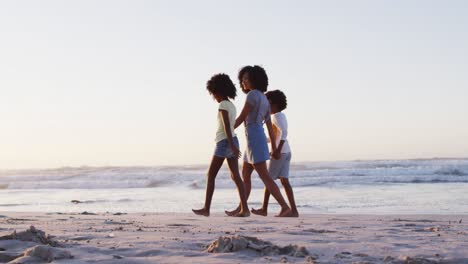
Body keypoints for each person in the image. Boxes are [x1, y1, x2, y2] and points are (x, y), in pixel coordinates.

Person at [226, 66, 293, 217]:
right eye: (242, 79)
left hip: (255, 139)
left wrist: (228, 130)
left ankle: (284, 206)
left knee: (264, 176)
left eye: (246, 79)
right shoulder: (263, 98)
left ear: (255, 80)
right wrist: (274, 148)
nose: (243, 82)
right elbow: (269, 126)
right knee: (246, 173)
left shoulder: (252, 96)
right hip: (256, 138)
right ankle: (242, 208)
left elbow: (243, 116)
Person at [192, 73, 250, 217]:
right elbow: (231, 127)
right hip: (232, 140)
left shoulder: (223, 105)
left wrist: (231, 145)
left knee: (211, 174)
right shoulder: (231, 105)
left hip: (224, 141)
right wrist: (234, 145)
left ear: (217, 91)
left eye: (213, 94)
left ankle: (206, 208)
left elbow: (226, 127)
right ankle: (245, 209)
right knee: (235, 175)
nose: (213, 97)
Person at [251, 90, 298, 217]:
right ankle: (293, 211)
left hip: (280, 152)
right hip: (286, 151)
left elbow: (284, 132)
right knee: (284, 181)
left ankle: (264, 209)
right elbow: (276, 136)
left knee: (268, 180)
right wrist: (262, 139)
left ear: (271, 103)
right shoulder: (280, 116)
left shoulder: (276, 116)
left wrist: (276, 150)